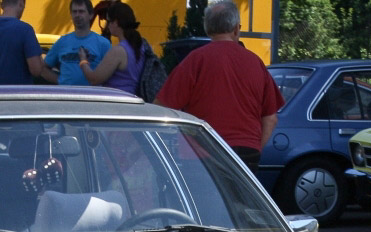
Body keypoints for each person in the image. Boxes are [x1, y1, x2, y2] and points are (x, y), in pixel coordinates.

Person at [153, 1, 283, 171]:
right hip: (246, 153)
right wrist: (255, 148)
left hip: (202, 153)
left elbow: (161, 107)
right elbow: (271, 119)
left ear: (207, 28)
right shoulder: (256, 63)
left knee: (203, 198)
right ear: (237, 29)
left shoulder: (195, 60)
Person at [77, 2, 151, 96]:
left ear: (115, 22)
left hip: (118, 102)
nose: (107, 25)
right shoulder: (141, 46)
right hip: (134, 100)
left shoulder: (118, 51)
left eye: (108, 21)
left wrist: (83, 61)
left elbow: (94, 79)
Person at [0, 0, 43, 86]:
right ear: (21, 4)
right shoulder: (25, 30)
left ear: (2, 5)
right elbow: (36, 70)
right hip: (19, 94)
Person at [41, 0, 111, 86]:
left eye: (81, 11)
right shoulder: (62, 42)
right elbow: (43, 68)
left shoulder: (103, 44)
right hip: (67, 96)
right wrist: (60, 81)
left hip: (93, 96)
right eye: (74, 12)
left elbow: (111, 75)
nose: (77, 15)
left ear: (91, 15)